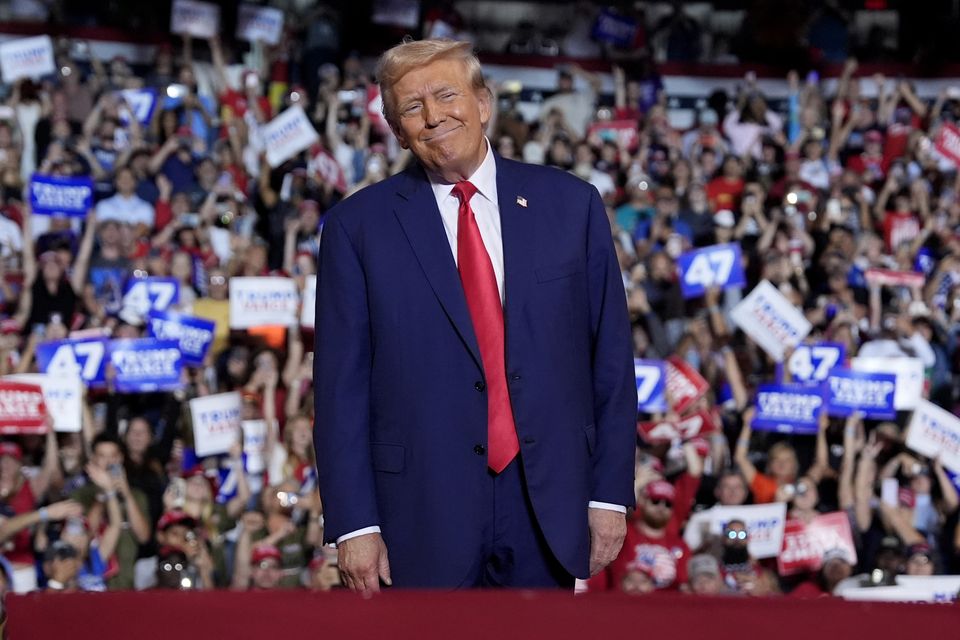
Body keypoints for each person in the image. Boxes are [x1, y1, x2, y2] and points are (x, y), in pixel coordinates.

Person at [314, 39, 636, 592]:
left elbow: (609, 358)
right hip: (418, 508)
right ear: (395, 129)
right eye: (411, 108)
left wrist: (608, 493)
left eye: (446, 95)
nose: (433, 116)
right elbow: (339, 389)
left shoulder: (571, 205)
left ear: (483, 103)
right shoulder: (355, 227)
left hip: (547, 500)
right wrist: (355, 524)